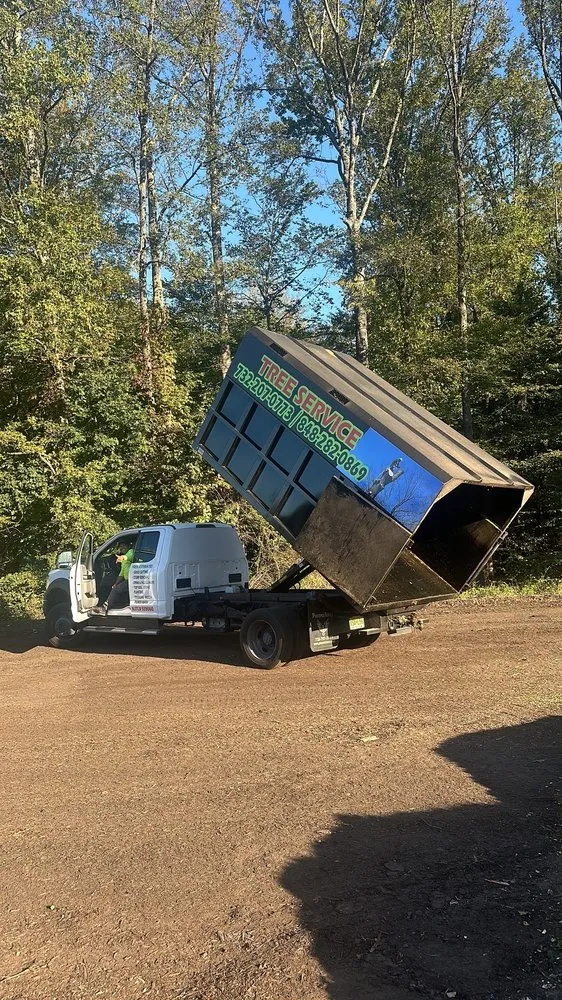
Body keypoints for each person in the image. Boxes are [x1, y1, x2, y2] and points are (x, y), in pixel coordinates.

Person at [91, 545, 134, 615]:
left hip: (132, 580)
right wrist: (115, 584)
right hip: (128, 580)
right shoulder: (124, 562)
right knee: (115, 588)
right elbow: (121, 574)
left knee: (116, 590)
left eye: (123, 546)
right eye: (120, 548)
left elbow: (129, 556)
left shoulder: (131, 551)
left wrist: (122, 557)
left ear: (127, 546)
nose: (121, 549)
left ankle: (104, 609)